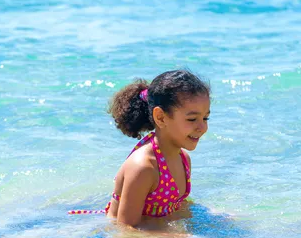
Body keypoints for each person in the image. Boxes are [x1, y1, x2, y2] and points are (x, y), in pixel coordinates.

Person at [69, 69, 211, 228]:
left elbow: (176, 205)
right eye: (192, 119)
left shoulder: (183, 158)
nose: (202, 127)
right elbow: (126, 229)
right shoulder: (143, 167)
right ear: (161, 117)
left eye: (205, 118)